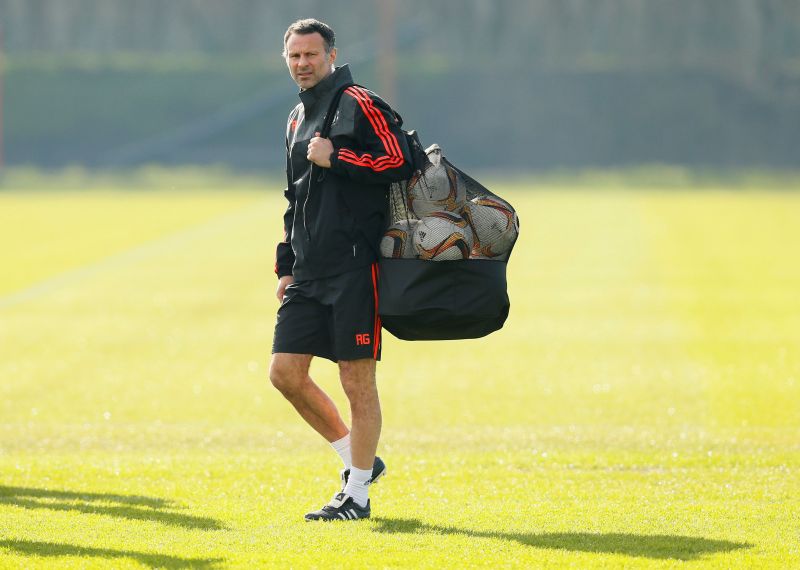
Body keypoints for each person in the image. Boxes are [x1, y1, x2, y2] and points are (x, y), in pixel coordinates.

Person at [269, 19, 414, 521]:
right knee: (285, 374)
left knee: (357, 381)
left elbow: (402, 159)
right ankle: (358, 463)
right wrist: (286, 265)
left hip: (355, 268)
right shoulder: (294, 117)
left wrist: (340, 158)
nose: (303, 63)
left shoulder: (359, 101)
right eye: (294, 56)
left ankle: (356, 496)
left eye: (311, 54)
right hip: (308, 272)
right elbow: (294, 198)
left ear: (332, 55)